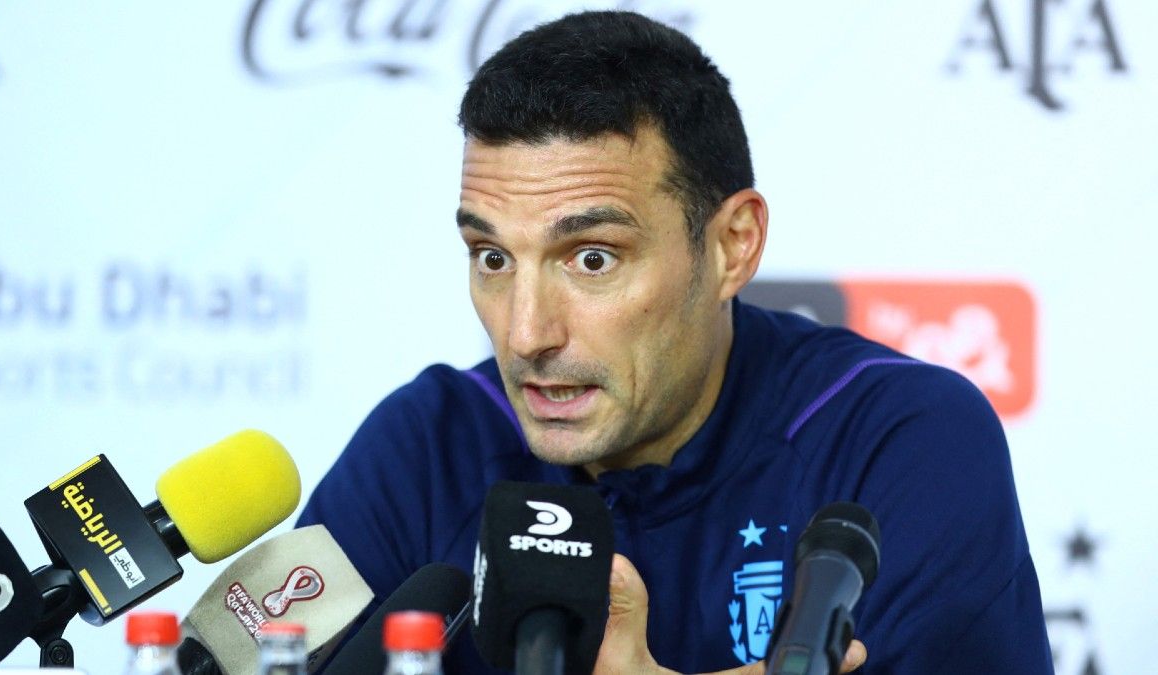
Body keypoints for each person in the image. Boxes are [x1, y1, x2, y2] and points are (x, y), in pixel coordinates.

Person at [299, 10, 1052, 674]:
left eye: (592, 258)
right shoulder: (428, 442)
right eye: (493, 258)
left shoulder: (898, 437)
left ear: (732, 245)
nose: (525, 334)